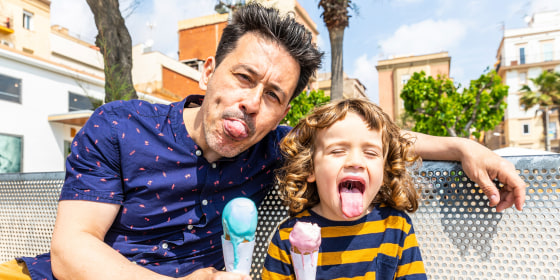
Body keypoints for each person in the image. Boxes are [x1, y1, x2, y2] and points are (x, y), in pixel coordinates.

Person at [0, 3, 525, 280]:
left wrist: (462, 148)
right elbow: (71, 253)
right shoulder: (118, 126)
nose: (252, 103)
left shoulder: (271, 148)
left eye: (273, 95)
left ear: (284, 112)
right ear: (208, 71)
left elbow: (357, 140)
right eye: (243, 78)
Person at [262, 98, 426, 279]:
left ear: (384, 171)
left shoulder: (396, 228)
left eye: (371, 153)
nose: (355, 162)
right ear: (310, 167)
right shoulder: (288, 237)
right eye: (337, 151)